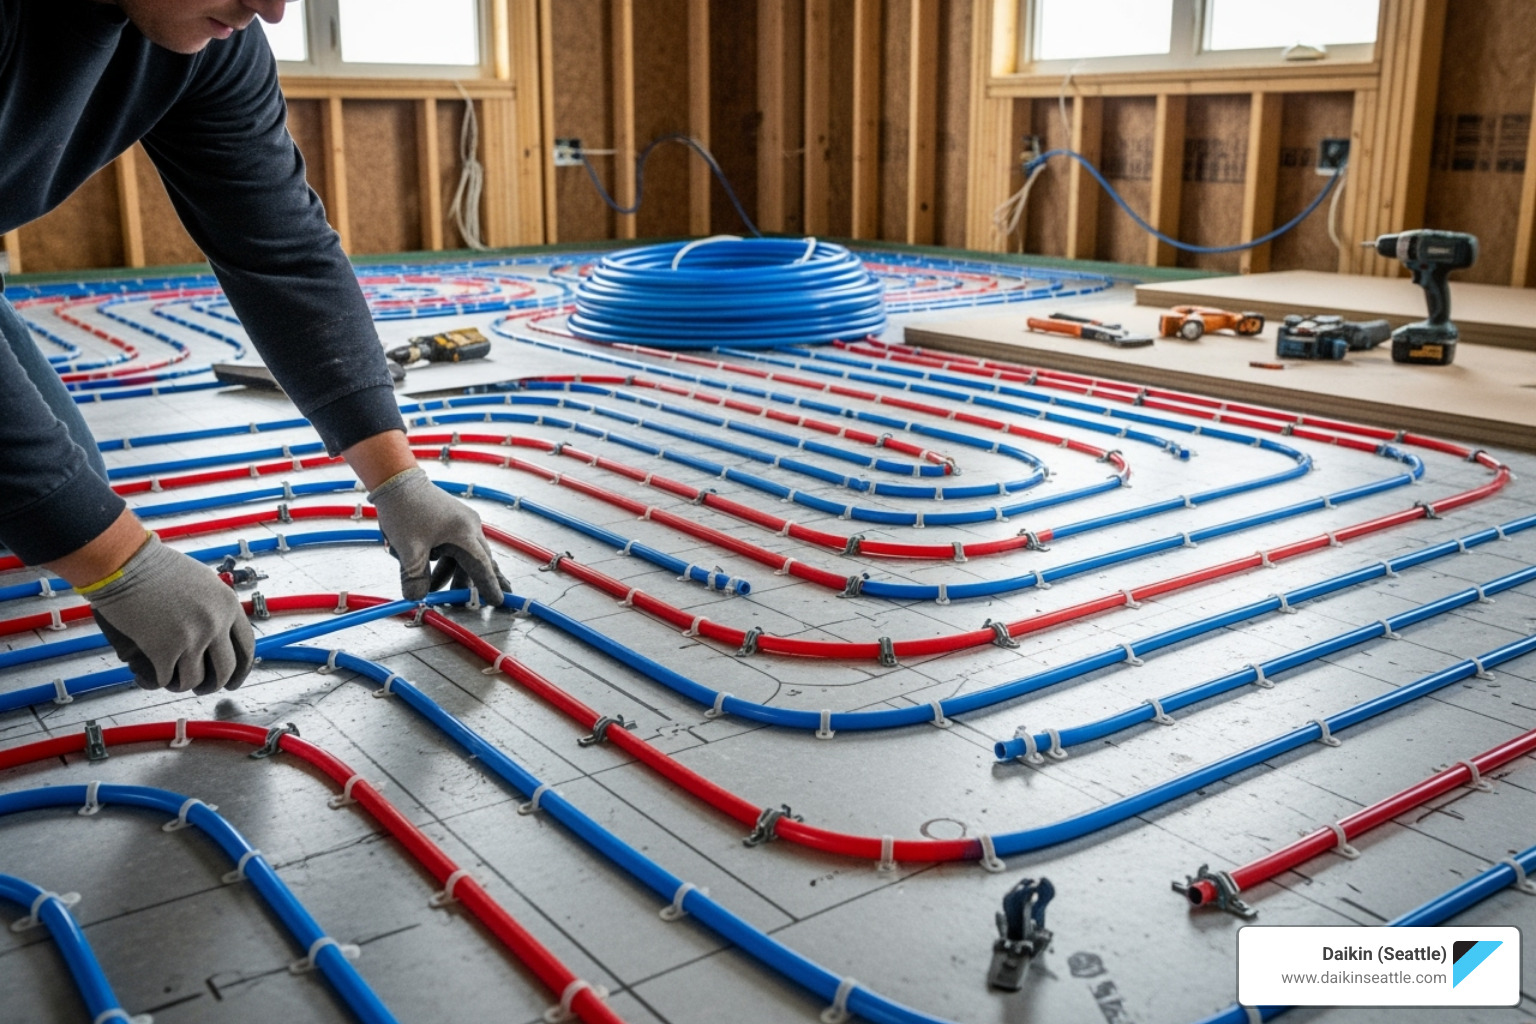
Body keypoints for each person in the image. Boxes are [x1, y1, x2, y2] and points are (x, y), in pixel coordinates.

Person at [0, 0, 508, 697]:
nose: (271, 9)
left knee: (57, 496)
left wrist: (399, 481)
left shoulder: (209, 36)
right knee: (55, 510)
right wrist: (117, 560)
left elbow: (284, 252)